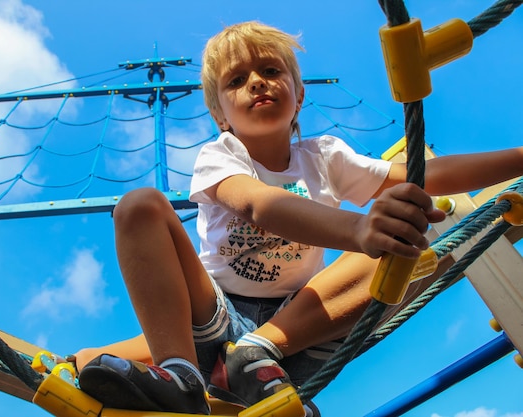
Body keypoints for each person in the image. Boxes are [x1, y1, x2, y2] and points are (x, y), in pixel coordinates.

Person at [74, 21, 523, 416]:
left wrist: (519, 159)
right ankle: (181, 376)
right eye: (237, 80)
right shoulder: (220, 156)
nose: (257, 83)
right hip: (215, 316)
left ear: (298, 93)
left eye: (271, 71)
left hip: (297, 328)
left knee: (406, 235)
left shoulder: (325, 157)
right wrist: (358, 228)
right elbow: (257, 203)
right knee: (138, 206)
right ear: (219, 114)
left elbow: (427, 176)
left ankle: (249, 358)